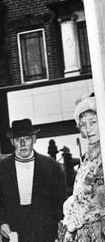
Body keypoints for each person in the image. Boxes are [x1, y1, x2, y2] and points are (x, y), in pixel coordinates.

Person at [0, 118, 66, 242]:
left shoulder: (51, 166)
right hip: (14, 233)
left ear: (34, 139)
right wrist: (1, 224)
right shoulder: (1, 168)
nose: (22, 144)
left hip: (45, 234)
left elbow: (61, 202)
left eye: (26, 139)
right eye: (18, 140)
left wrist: (58, 231)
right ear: (12, 142)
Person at [58, 96, 103, 241]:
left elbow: (97, 198)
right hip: (84, 232)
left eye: (93, 122)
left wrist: (71, 226)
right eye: (83, 124)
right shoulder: (87, 157)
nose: (88, 129)